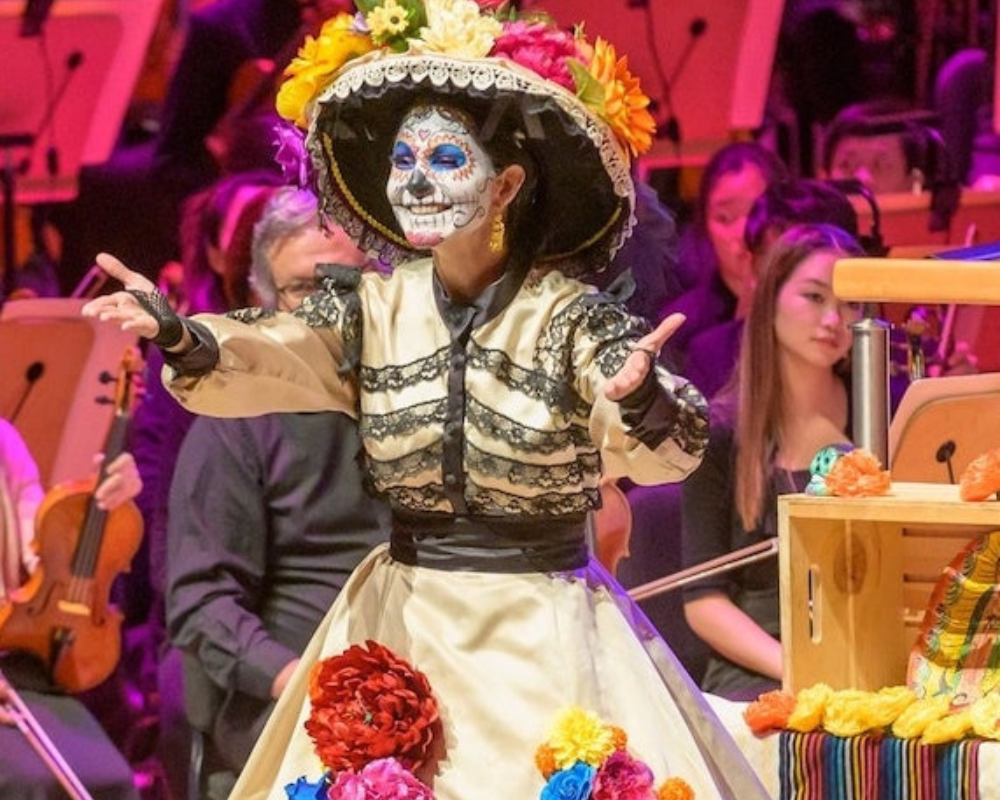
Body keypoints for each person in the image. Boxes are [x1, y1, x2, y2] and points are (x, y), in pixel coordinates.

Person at [83, 4, 771, 799]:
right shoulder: (372, 309)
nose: (415, 180)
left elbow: (657, 443)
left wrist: (642, 395)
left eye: (446, 159)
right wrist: (182, 335)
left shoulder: (570, 318)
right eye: (404, 159)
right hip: (404, 617)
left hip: (541, 625)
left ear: (507, 183)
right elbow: (275, 351)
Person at [163, 186, 388, 800]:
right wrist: (294, 678)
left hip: (417, 674)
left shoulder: (413, 403)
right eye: (304, 289)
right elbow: (201, 599)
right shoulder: (235, 423)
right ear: (266, 301)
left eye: (348, 284)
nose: (327, 309)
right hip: (292, 693)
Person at [680, 224, 864, 702]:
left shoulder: (884, 414)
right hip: (758, 667)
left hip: (861, 659)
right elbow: (703, 602)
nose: (834, 319)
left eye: (851, 304)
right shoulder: (719, 434)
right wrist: (796, 669)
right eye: (814, 297)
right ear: (770, 300)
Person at [0, 418, 143, 800]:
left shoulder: (4, 440)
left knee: (110, 780)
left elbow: (44, 557)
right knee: (25, 784)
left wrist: (98, 505)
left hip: (11, 662)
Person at [660, 141, 789, 372]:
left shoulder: (809, 308)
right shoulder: (680, 326)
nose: (742, 233)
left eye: (755, 212)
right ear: (705, 226)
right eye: (725, 218)